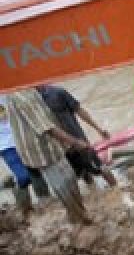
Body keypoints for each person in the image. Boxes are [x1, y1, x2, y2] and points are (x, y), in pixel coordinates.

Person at [4, 88, 91, 223]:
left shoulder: (30, 90)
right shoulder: (20, 96)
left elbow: (48, 118)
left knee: (70, 178)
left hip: (50, 145)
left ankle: (78, 214)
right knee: (62, 184)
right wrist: (75, 142)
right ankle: (77, 218)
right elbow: (46, 127)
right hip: (40, 149)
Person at [37, 84, 119, 189]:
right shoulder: (34, 102)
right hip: (59, 146)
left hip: (77, 139)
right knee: (79, 173)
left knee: (98, 165)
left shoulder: (58, 92)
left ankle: (116, 188)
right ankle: (94, 190)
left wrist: (98, 129)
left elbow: (79, 110)